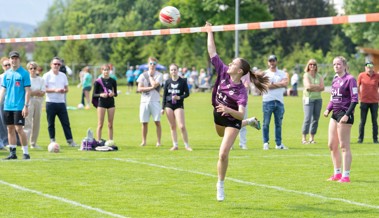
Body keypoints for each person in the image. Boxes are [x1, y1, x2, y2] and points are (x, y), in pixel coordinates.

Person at [206, 22, 269, 201]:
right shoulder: (223, 71)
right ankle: (250, 123)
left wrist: (227, 109)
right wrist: (210, 32)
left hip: (232, 119)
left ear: (239, 71)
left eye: (233, 63)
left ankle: (220, 185)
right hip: (218, 115)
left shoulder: (242, 91)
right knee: (221, 135)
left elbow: (239, 113)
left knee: (223, 153)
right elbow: (212, 51)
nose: (230, 63)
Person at [323, 56, 358, 183]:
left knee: (344, 146)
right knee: (332, 145)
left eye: (338, 64)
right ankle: (337, 173)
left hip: (345, 113)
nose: (336, 66)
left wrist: (347, 115)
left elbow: (355, 100)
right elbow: (333, 98)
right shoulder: (335, 79)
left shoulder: (350, 79)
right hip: (335, 114)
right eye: (334, 64)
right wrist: (328, 109)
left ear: (344, 65)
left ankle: (346, 175)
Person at [0, 51, 31, 160]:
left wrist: (26, 106)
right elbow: (3, 90)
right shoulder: (7, 74)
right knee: (10, 129)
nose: (14, 60)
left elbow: (28, 91)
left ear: (19, 60)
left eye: (16, 58)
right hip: (7, 106)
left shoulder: (24, 73)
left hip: (19, 106)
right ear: (9, 60)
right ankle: (12, 153)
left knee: (19, 129)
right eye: (12, 58)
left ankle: (26, 153)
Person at [42, 57, 77, 146]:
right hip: (50, 102)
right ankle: (52, 140)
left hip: (61, 102)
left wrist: (63, 90)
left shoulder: (63, 75)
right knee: (51, 123)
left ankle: (70, 140)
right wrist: (55, 90)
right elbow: (44, 89)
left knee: (66, 122)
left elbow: (67, 89)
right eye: (55, 64)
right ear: (51, 65)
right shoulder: (46, 75)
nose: (57, 66)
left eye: (58, 64)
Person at [162, 63, 192, 151]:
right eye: (172, 70)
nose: (173, 71)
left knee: (182, 126)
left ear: (177, 70)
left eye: (175, 69)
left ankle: (186, 145)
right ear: (169, 71)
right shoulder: (167, 82)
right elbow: (164, 96)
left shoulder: (182, 81)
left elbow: (187, 93)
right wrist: (162, 108)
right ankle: (175, 145)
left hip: (179, 105)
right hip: (169, 105)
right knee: (172, 126)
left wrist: (179, 97)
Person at [262, 55, 289, 150]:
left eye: (273, 61)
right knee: (266, 123)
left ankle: (278, 144)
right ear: (268, 62)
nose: (272, 63)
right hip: (267, 100)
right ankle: (265, 143)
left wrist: (273, 84)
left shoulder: (282, 73)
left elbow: (285, 84)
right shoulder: (265, 73)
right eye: (270, 61)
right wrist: (279, 84)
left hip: (279, 101)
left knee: (278, 124)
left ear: (276, 61)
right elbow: (266, 86)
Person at [137, 57, 163, 147]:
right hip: (144, 101)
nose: (152, 65)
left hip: (155, 101)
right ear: (148, 64)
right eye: (151, 63)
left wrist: (151, 77)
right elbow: (139, 88)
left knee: (157, 121)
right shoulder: (142, 75)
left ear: (156, 65)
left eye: (154, 64)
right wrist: (150, 88)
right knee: (144, 122)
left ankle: (159, 141)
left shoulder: (159, 75)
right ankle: (144, 141)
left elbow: (155, 84)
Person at [301, 59, 324, 144]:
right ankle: (304, 138)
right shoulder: (306, 75)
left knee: (316, 119)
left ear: (316, 66)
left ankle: (312, 137)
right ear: (308, 65)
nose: (312, 66)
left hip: (318, 99)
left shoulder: (319, 76)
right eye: (310, 64)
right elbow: (307, 87)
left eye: (314, 65)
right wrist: (317, 87)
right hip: (308, 99)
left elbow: (323, 88)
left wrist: (313, 87)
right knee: (307, 118)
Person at [93, 64, 118, 142]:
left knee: (110, 124)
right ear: (101, 71)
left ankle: (110, 141)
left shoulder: (113, 81)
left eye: (107, 70)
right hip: (101, 103)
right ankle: (98, 140)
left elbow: (116, 93)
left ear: (110, 70)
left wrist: (113, 94)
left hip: (111, 103)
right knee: (100, 124)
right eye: (104, 70)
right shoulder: (98, 81)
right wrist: (101, 94)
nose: (106, 71)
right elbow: (94, 94)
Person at [24, 61, 45, 149]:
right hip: (29, 101)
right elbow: (26, 92)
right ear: (28, 70)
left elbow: (43, 92)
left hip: (38, 101)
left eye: (34, 68)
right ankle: (25, 143)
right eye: (31, 68)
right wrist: (34, 92)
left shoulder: (41, 79)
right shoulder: (26, 79)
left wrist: (33, 93)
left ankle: (33, 143)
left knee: (37, 122)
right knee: (27, 123)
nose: (33, 70)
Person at [357, 61, 379, 144]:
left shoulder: (377, 76)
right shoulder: (361, 75)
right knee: (362, 121)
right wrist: (359, 97)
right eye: (368, 67)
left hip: (374, 102)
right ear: (365, 68)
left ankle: (375, 139)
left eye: (371, 66)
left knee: (374, 121)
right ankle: (360, 139)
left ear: (373, 67)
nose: (369, 68)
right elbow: (357, 87)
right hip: (364, 101)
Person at [238, 72, 261, 150]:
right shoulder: (230, 73)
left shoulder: (246, 73)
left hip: (243, 101)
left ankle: (242, 143)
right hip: (231, 101)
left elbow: (246, 86)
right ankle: (230, 144)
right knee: (230, 124)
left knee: (242, 122)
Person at [0, 57, 11, 149]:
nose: (7, 66)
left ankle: (15, 141)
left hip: (13, 102)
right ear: (2, 67)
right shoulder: (0, 77)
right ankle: (5, 141)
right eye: (5, 65)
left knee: (14, 124)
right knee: (3, 123)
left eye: (9, 64)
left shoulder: (15, 75)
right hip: (3, 102)